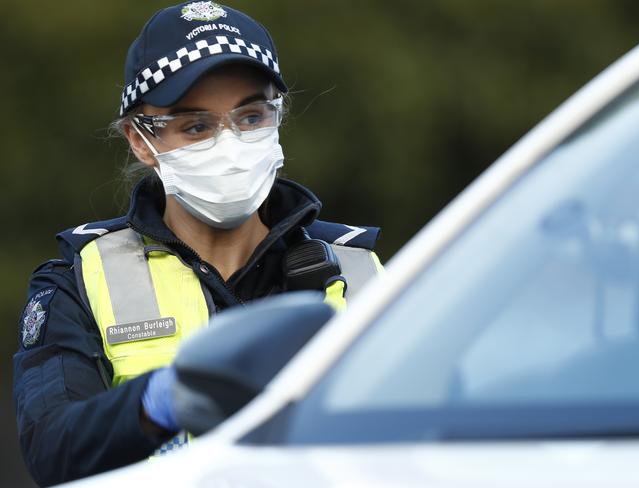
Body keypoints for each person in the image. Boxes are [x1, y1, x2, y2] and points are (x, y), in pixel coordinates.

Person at [12, 2, 382, 486]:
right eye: (196, 126)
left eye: (251, 117)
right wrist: (158, 402)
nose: (231, 144)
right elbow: (52, 449)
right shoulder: (78, 279)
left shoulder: (360, 269)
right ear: (140, 141)